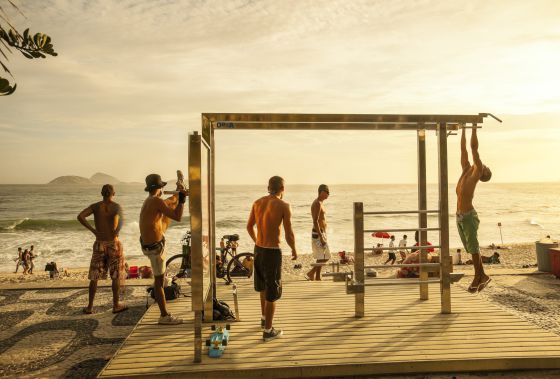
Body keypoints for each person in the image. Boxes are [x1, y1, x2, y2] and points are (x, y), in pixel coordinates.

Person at [247, 176, 297, 342]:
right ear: (282, 188)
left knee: (262, 286)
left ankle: (264, 318)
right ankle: (268, 330)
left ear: (268, 187)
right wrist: (294, 249)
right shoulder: (283, 205)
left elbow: (249, 226)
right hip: (272, 252)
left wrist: (257, 242)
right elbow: (289, 233)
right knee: (272, 291)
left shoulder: (257, 202)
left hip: (258, 249)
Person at [139, 173, 187, 325]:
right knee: (158, 282)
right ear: (160, 188)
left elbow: (169, 201)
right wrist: (183, 200)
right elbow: (178, 216)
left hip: (148, 245)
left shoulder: (150, 201)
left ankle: (181, 186)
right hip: (154, 248)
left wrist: (178, 193)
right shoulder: (156, 201)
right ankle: (164, 316)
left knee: (170, 204)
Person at [78, 184, 127, 314]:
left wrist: (93, 230)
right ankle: (116, 305)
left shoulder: (95, 206)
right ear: (114, 193)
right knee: (115, 276)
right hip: (113, 244)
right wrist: (116, 231)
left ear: (101, 193)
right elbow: (122, 219)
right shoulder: (116, 206)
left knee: (94, 276)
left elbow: (80, 216)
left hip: (99, 243)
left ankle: (89, 307)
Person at [456, 126, 492, 293]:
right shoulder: (465, 170)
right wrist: (463, 129)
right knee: (471, 247)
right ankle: (481, 276)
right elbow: (463, 149)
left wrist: (474, 127)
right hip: (460, 217)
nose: (483, 164)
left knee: (473, 246)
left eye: (485, 167)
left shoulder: (475, 173)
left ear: (482, 172)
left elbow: (473, 148)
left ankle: (479, 277)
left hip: (468, 216)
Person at [306, 184, 331, 281]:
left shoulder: (320, 203)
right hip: (318, 233)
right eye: (327, 192)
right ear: (322, 192)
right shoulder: (317, 203)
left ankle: (317, 276)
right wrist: (321, 236)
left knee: (322, 256)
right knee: (326, 256)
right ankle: (311, 273)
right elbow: (315, 221)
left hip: (321, 232)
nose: (328, 194)